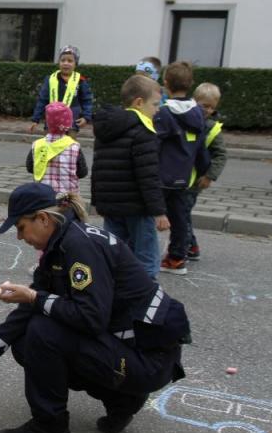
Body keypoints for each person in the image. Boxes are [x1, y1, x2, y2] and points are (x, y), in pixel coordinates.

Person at [0, 183, 189, 433]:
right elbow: (33, 304)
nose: (19, 237)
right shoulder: (62, 243)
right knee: (26, 339)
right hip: (134, 353)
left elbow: (91, 318)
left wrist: (34, 297)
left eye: (21, 227)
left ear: (43, 219)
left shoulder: (79, 246)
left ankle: (49, 429)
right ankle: (122, 400)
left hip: (148, 361)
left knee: (42, 332)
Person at [91, 75, 169, 280]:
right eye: (155, 104)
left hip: (111, 204)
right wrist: (159, 211)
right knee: (146, 255)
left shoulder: (107, 128)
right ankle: (146, 290)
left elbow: (99, 167)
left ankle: (115, 286)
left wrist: (98, 201)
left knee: (114, 251)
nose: (157, 110)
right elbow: (148, 175)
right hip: (137, 207)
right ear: (139, 103)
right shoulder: (143, 131)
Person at [156, 62, 210, 276]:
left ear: (165, 83)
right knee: (180, 218)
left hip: (161, 176)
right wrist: (204, 170)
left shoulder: (164, 112)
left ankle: (142, 254)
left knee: (149, 215)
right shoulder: (198, 113)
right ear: (190, 84)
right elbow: (201, 147)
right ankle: (177, 258)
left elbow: (155, 144)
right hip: (184, 177)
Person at [187, 83, 228, 262]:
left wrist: (210, 176)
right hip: (181, 176)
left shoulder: (212, 128)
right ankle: (190, 244)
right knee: (180, 214)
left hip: (196, 180)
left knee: (182, 214)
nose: (208, 110)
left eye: (212, 107)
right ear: (194, 101)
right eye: (204, 106)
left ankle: (189, 246)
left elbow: (221, 155)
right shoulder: (187, 120)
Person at [25, 102, 88, 195]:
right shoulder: (74, 147)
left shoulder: (37, 145)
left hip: (43, 197)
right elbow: (82, 172)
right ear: (69, 124)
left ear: (48, 123)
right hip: (68, 198)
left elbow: (30, 168)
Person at [29, 46, 93, 133]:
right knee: (49, 142)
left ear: (76, 63)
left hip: (71, 124)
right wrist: (35, 119)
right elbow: (42, 100)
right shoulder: (50, 79)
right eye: (63, 60)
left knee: (70, 142)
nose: (66, 63)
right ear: (59, 62)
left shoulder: (80, 81)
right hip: (51, 124)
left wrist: (86, 117)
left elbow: (87, 100)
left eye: (70, 61)